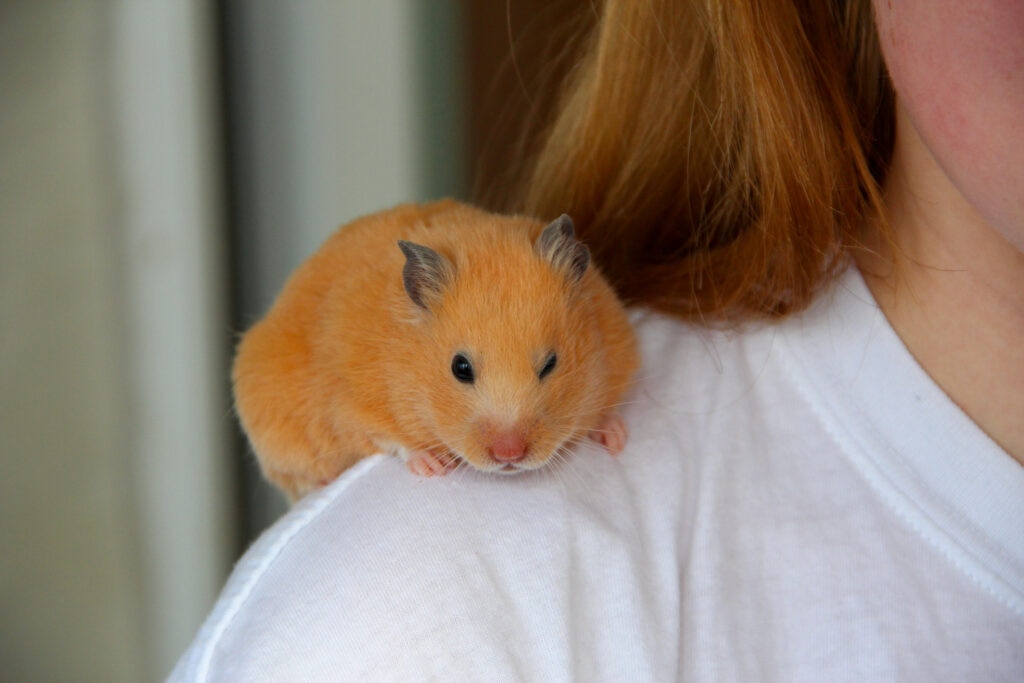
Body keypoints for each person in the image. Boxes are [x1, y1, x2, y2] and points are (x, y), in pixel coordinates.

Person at [170, 0, 1023, 679]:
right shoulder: (412, 624)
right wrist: (394, 440)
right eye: (465, 372)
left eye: (550, 369)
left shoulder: (596, 340)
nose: (510, 444)